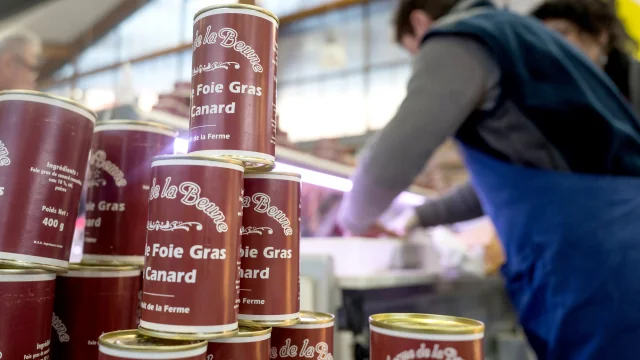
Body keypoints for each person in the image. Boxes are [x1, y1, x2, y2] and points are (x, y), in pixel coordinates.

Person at [337, 0, 640, 358]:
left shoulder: (461, 37)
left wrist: (350, 220)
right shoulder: (524, 40)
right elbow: (506, 187)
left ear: (420, 23)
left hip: (593, 264)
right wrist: (417, 217)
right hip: (613, 249)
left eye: (412, 52)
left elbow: (386, 165)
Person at [400, 0, 640, 233]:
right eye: (544, 42)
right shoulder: (554, 108)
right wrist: (420, 216)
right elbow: (507, 183)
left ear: (600, 35)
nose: (554, 51)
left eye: (561, 35)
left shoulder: (629, 91)